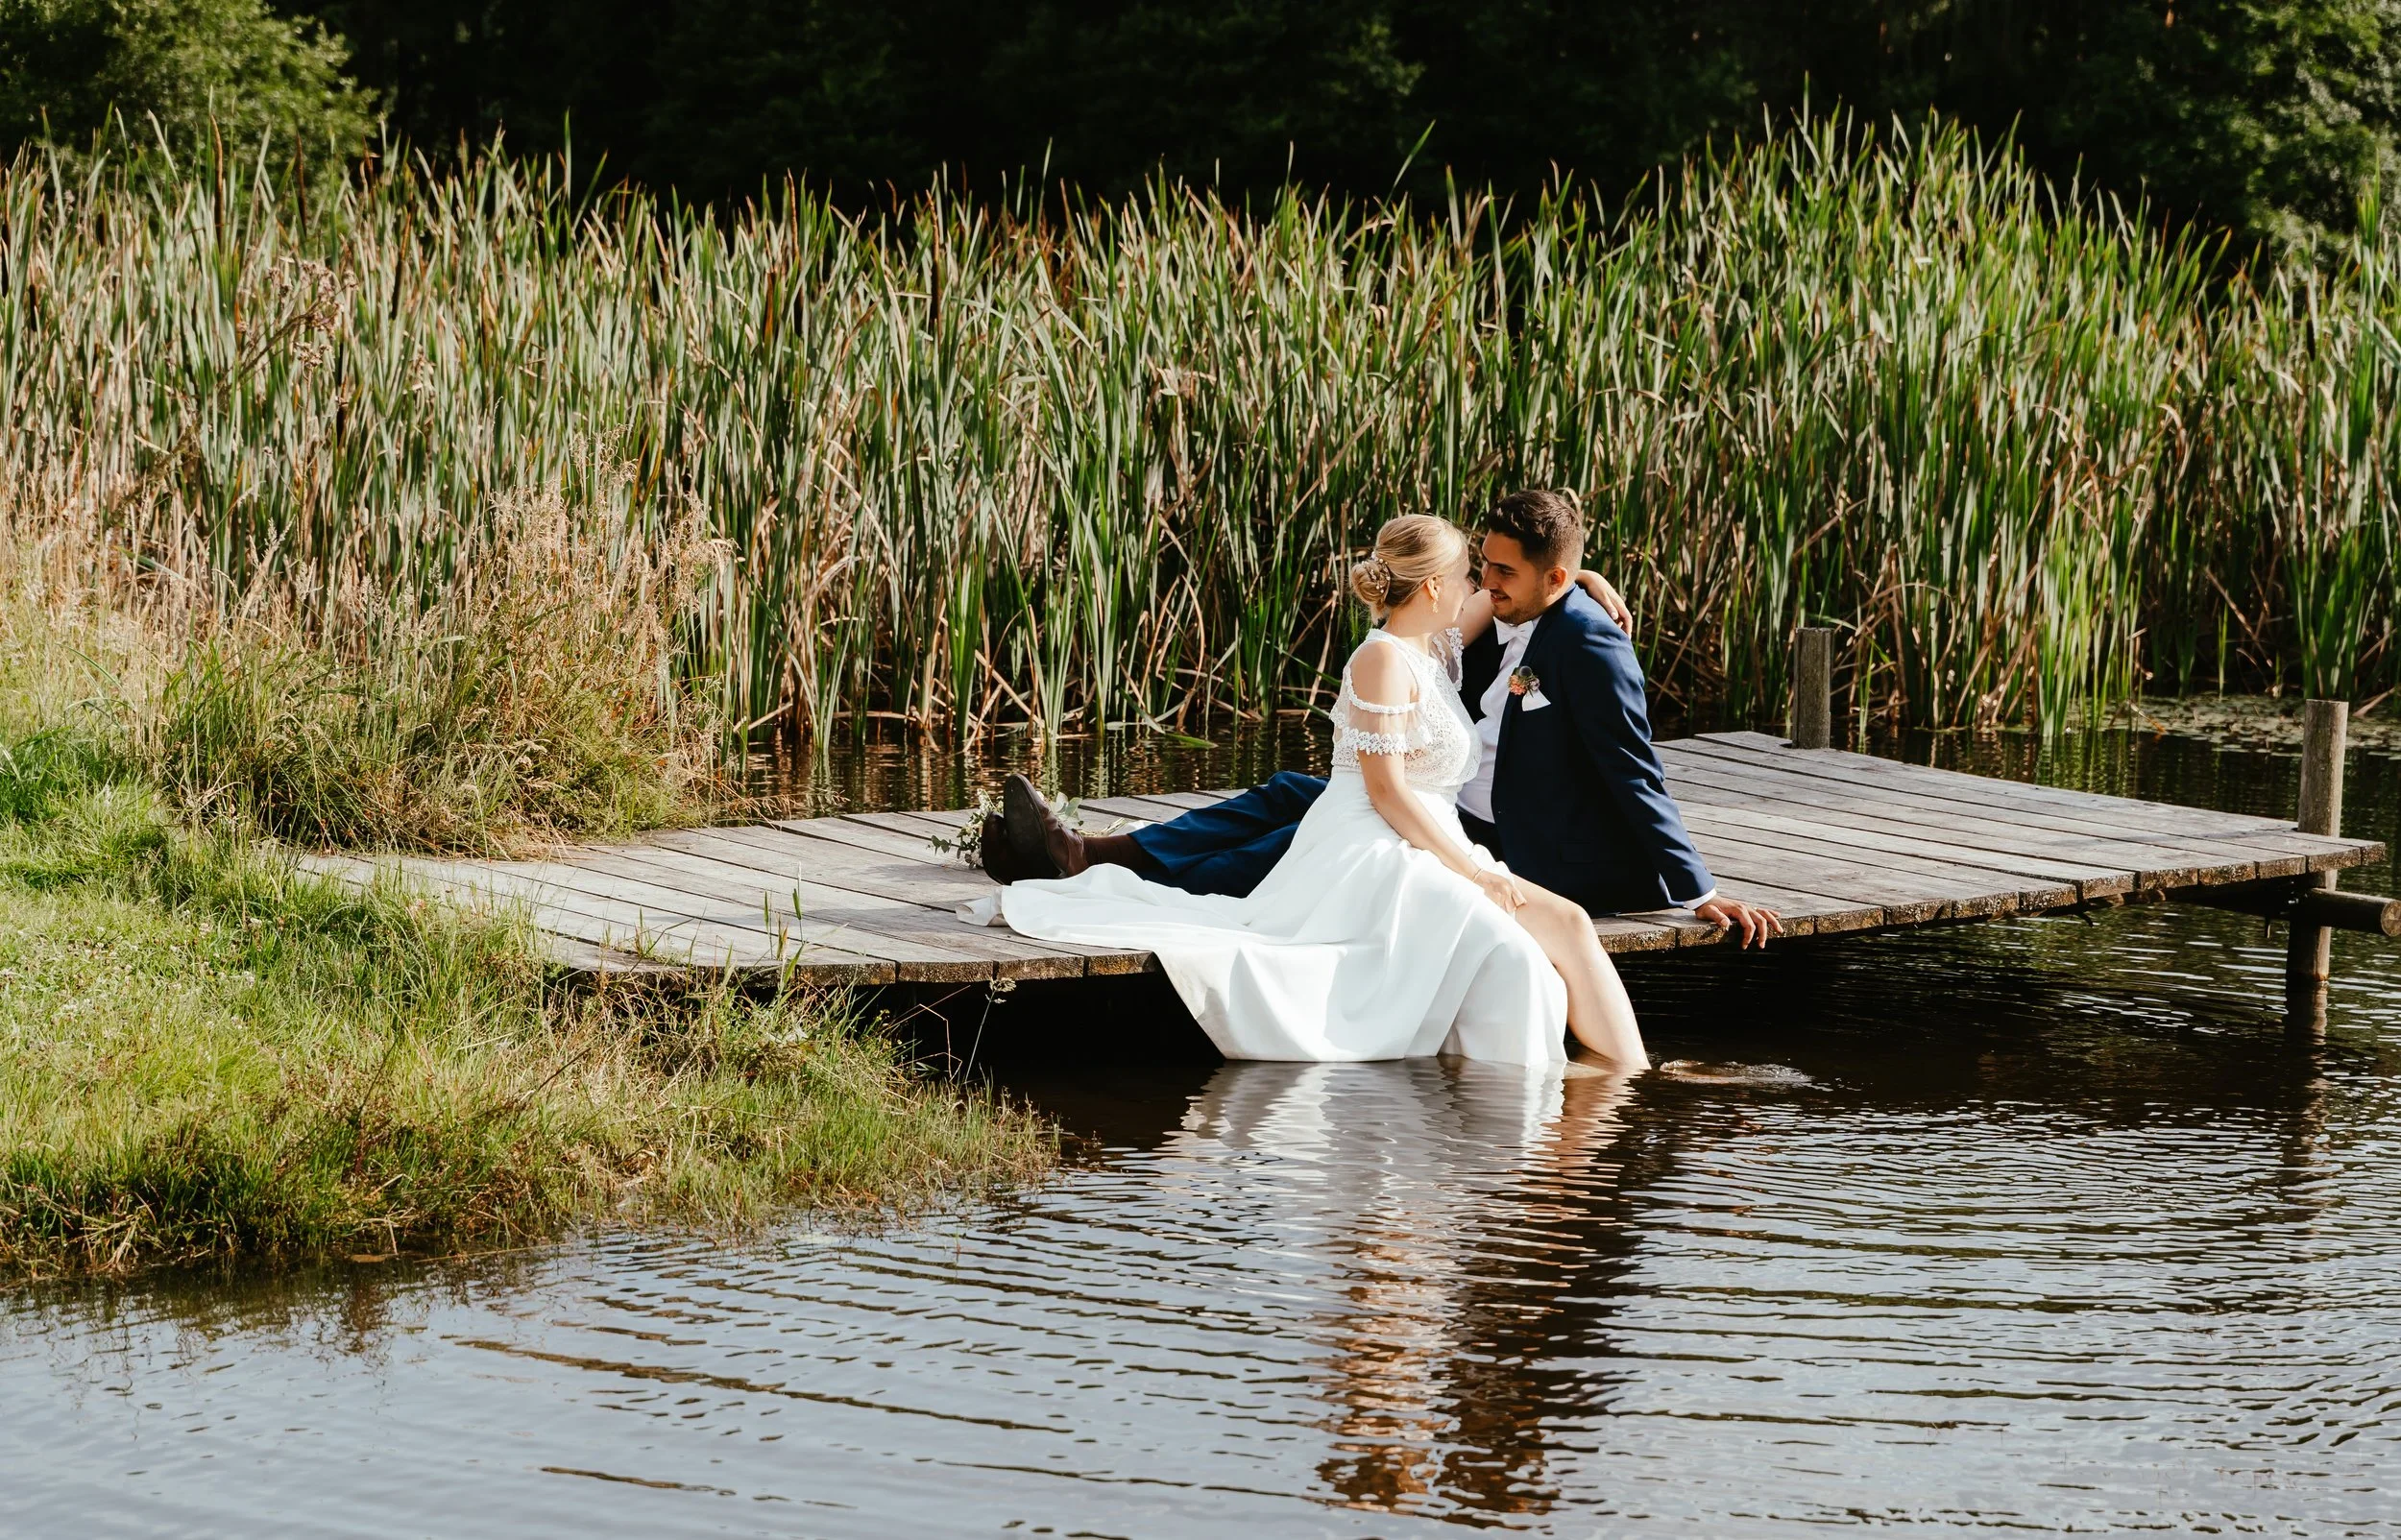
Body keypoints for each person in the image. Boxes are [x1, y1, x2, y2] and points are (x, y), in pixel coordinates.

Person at [960, 513, 1644, 1068]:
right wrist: (1471, 873)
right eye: (1468, 573)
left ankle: (1634, 1077)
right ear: (1435, 586)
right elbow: (1388, 794)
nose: (1480, 586)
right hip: (1388, 844)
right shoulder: (1383, 657)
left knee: (1568, 925)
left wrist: (1575, 576)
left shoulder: (1436, 644)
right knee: (1512, 953)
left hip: (1425, 835)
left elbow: (1512, 595)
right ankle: (1580, 1085)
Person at [988, 490, 1780, 947]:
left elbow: (1636, 773)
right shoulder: (1508, 604)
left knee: (1315, 835)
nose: (1489, 583)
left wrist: (1697, 891)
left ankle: (1110, 874)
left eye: (1503, 572)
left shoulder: (1591, 646)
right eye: (1486, 566)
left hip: (1515, 843)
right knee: (1297, 793)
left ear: (1552, 577)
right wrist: (1580, 578)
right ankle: (1090, 852)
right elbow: (1480, 598)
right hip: (1457, 807)